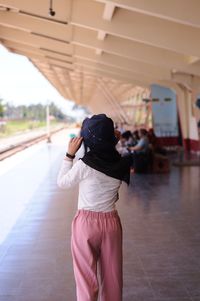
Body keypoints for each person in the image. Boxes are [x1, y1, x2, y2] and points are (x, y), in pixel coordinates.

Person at [57, 114, 130, 301]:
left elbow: (62, 182)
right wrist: (112, 139)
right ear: (109, 138)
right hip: (111, 223)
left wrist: (69, 155)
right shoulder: (120, 163)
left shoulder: (85, 165)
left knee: (85, 279)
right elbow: (111, 144)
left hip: (86, 224)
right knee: (112, 278)